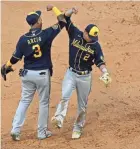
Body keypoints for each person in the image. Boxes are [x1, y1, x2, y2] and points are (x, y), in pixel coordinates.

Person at [1, 5, 66, 141]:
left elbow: (15, 59)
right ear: (37, 22)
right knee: (43, 103)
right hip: (42, 75)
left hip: (27, 75)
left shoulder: (23, 39)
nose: (42, 20)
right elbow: (62, 21)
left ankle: (15, 129)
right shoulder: (46, 34)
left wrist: (7, 66)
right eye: (40, 18)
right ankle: (41, 133)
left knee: (24, 101)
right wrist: (54, 8)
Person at [51, 7, 112, 139]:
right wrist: (71, 11)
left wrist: (105, 72)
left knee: (82, 106)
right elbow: (65, 18)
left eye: (93, 37)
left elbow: (100, 61)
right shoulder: (75, 33)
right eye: (90, 36)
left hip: (85, 77)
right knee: (65, 96)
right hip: (71, 74)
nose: (91, 39)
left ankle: (78, 127)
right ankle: (59, 118)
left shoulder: (95, 45)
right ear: (85, 32)